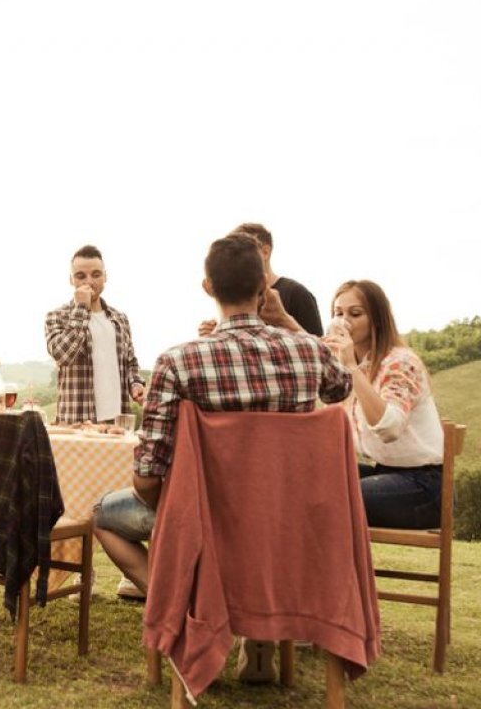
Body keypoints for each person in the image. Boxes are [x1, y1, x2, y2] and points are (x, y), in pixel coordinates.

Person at [93, 234, 351, 600]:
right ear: (265, 286)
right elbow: (341, 388)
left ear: (208, 287)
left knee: (102, 514)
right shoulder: (309, 351)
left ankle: (187, 604)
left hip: (207, 518)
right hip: (287, 518)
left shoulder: (177, 362)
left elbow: (147, 478)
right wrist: (288, 322)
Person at [322, 280, 445, 529]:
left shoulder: (399, 362)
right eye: (338, 313)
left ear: (376, 319)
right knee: (308, 484)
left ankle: (345, 569)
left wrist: (350, 368)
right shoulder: (354, 364)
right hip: (383, 472)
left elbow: (389, 428)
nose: (344, 321)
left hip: (423, 486)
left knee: (330, 499)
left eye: (355, 314)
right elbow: (331, 425)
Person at [44, 245, 146, 425]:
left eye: (96, 274)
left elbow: (130, 362)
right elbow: (63, 355)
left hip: (117, 422)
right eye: (81, 276)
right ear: (71, 280)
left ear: (105, 276)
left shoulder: (120, 318)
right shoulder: (56, 316)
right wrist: (81, 308)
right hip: (77, 422)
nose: (89, 282)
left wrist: (136, 384)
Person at [199, 223, 324, 337]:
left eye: (248, 247)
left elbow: (322, 348)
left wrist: (283, 319)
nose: (237, 256)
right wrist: (215, 333)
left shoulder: (297, 294)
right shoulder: (232, 293)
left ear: (265, 252)